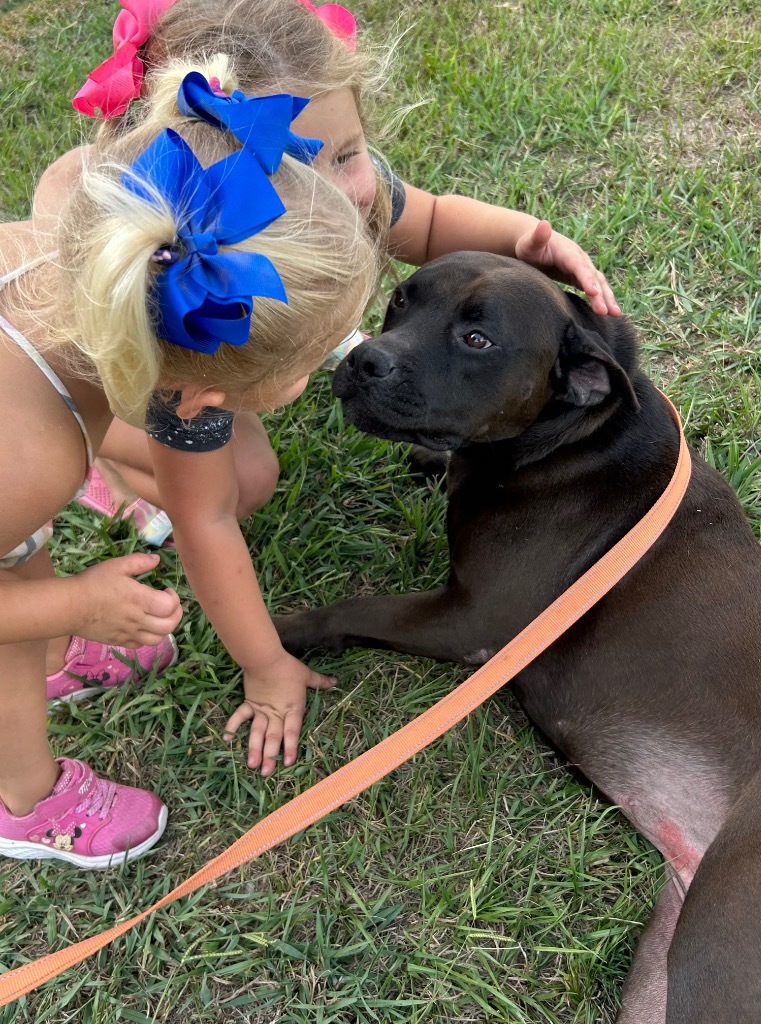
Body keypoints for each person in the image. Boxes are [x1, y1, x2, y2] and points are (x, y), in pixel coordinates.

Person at [35, 0, 621, 780]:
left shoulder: (339, 191)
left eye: (349, 149)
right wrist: (268, 662)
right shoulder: (184, 316)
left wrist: (524, 238)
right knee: (238, 482)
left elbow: (433, 216)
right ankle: (113, 470)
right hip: (78, 377)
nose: (348, 189)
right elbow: (207, 520)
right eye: (309, 162)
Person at [0, 52, 378, 867]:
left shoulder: (56, 258)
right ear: (204, 401)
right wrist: (71, 604)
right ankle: (24, 803)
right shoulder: (33, 459)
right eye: (308, 366)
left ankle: (56, 662)